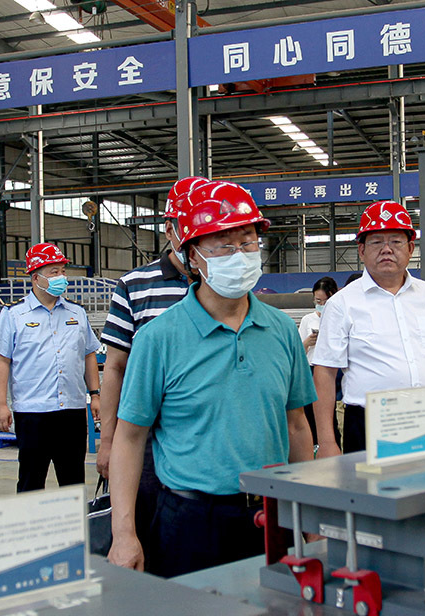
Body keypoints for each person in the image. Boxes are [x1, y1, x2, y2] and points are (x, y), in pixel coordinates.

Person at [107, 181, 315, 578]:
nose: (239, 255)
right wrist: (124, 533)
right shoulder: (158, 339)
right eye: (222, 243)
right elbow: (130, 439)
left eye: (248, 241)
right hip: (190, 522)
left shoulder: (282, 330)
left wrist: (310, 511)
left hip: (273, 515)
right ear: (193, 255)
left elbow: (297, 426)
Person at [311, 200, 425, 456]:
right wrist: (327, 441)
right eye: (376, 242)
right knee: (373, 494)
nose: (386, 249)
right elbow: (325, 373)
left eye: (395, 241)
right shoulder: (342, 303)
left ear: (410, 248)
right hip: (370, 425)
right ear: (361, 250)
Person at [96, 176, 203, 556]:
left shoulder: (226, 286)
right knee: (144, 535)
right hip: (146, 442)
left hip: (205, 440)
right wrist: (107, 441)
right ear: (169, 228)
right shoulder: (134, 285)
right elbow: (115, 368)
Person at [0, 242, 100, 491]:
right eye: (54, 272)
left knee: (73, 480)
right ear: (35, 277)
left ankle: (74, 528)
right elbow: (1, 360)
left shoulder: (77, 314)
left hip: (71, 411)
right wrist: (0, 404)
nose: (61, 277)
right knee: (31, 479)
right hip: (32, 413)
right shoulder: (14, 315)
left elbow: (89, 355)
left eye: (62, 271)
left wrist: (95, 395)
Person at [297, 276, 338, 446]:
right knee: (309, 414)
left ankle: (332, 445)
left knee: (328, 415)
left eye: (324, 300)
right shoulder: (308, 319)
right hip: (310, 369)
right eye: (317, 300)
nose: (320, 304)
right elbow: (298, 350)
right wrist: (308, 342)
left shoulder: (338, 317)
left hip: (330, 370)